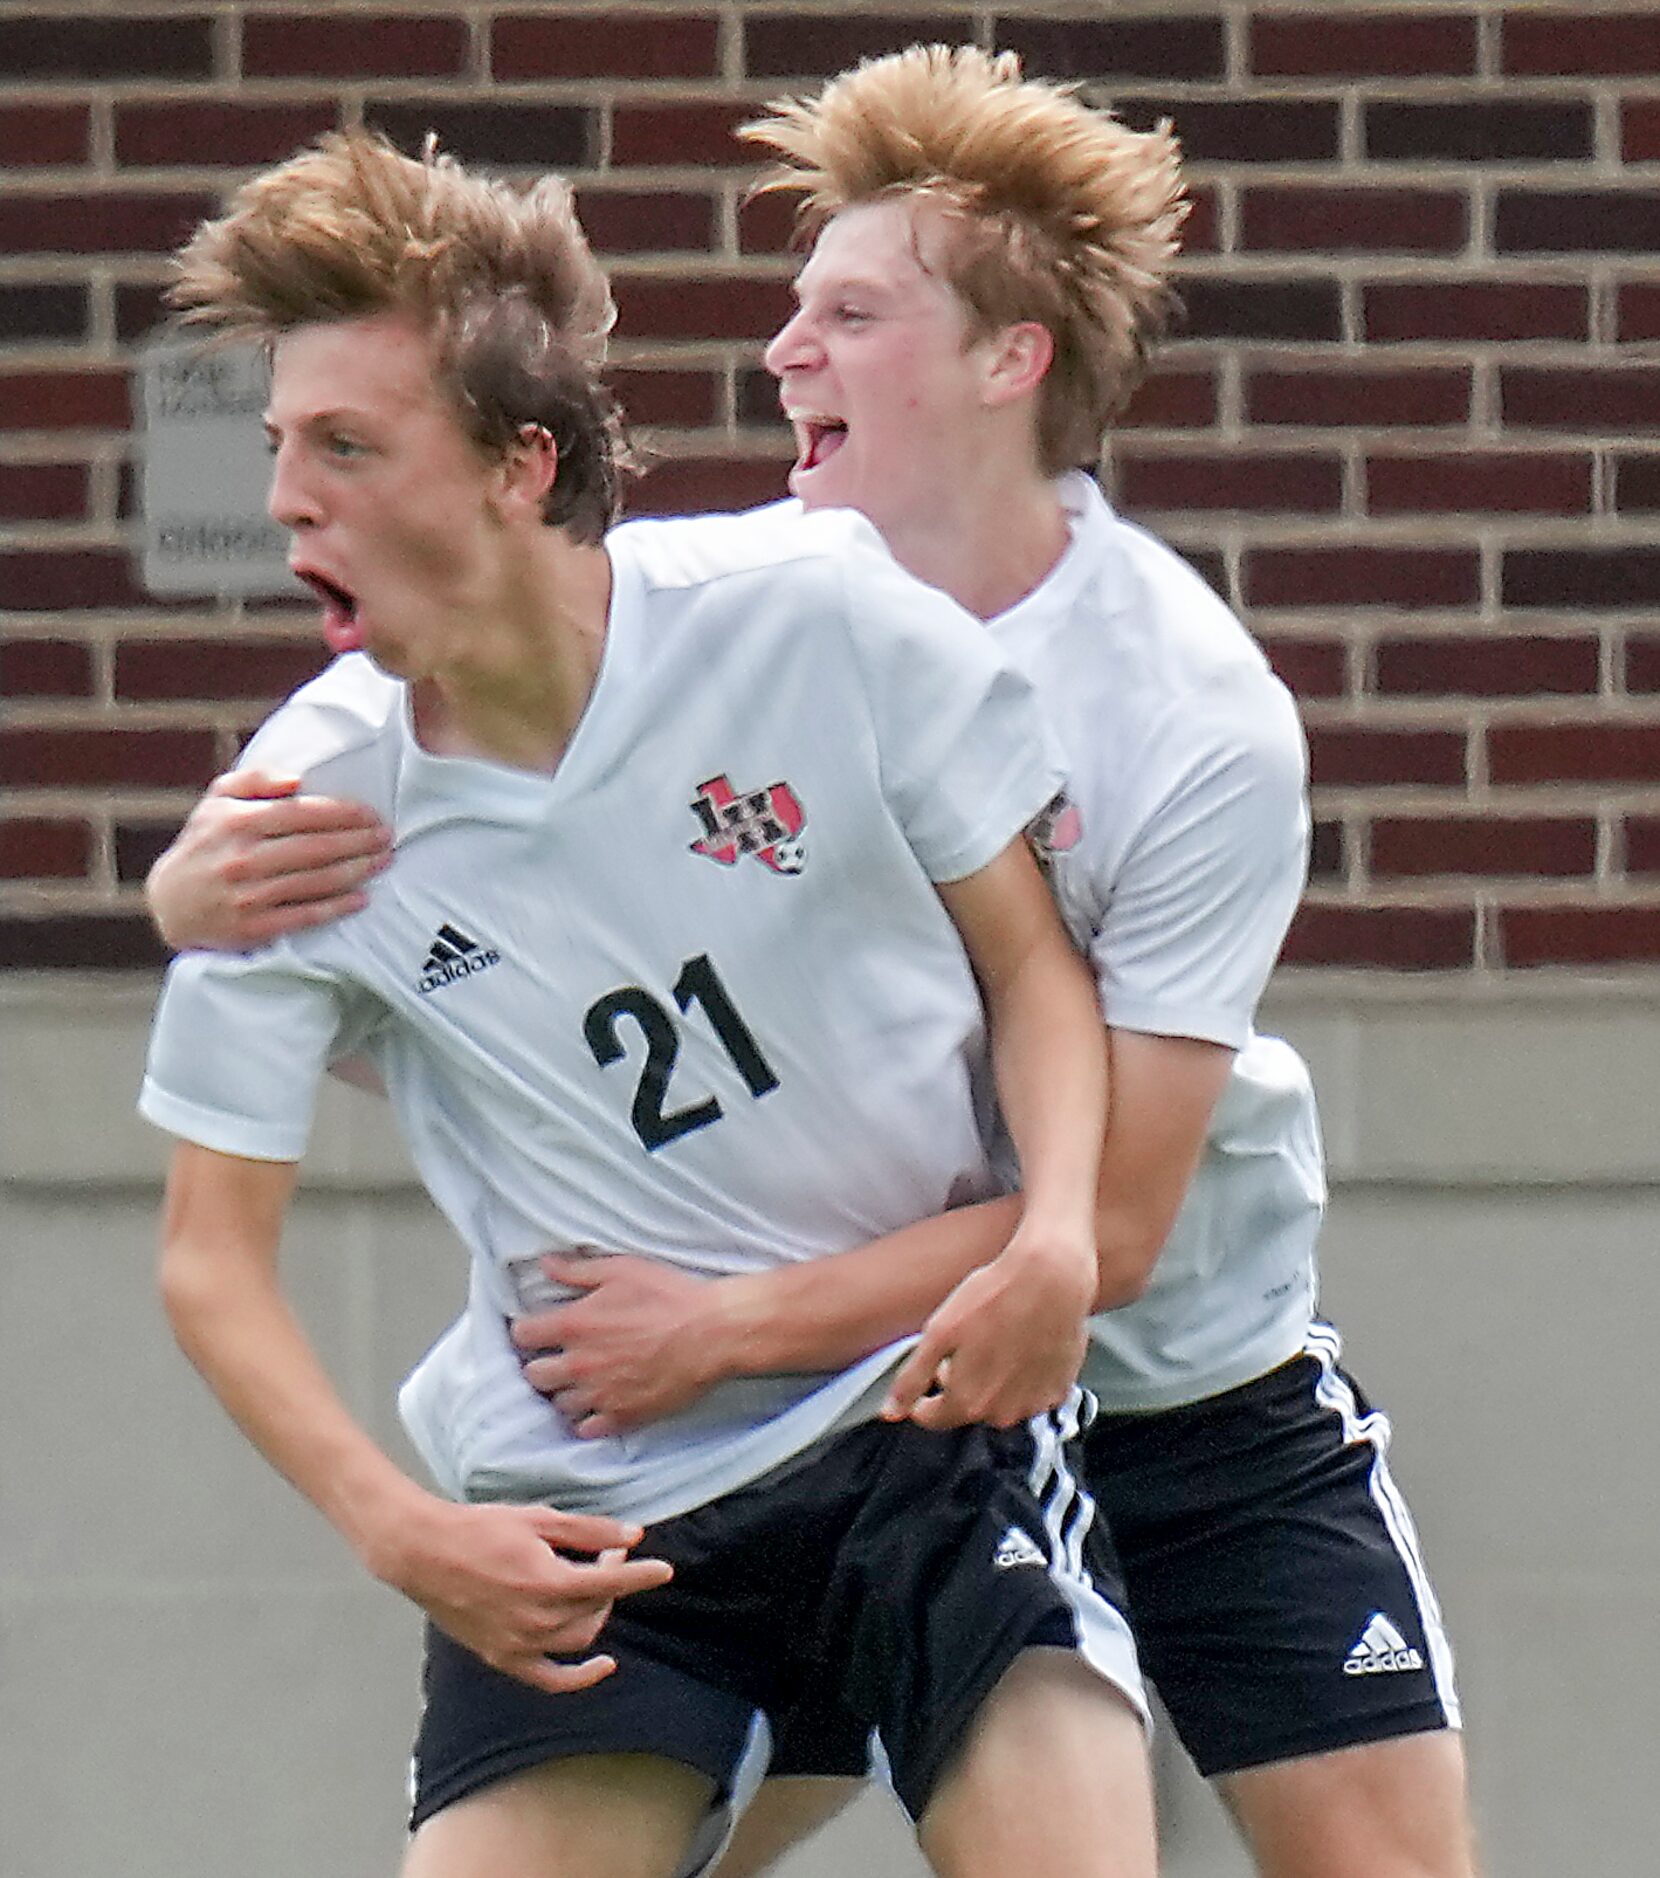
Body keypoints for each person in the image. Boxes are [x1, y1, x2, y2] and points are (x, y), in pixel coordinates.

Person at [144, 47, 1479, 1878]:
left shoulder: (1183, 713)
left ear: (1010, 362)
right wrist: (195, 904)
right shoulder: (679, 630)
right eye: (790, 307)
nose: (782, 352)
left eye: (845, 311)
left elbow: (1111, 1224)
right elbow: (501, 1011)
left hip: (1148, 1381)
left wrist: (728, 1325)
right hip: (760, 1426)